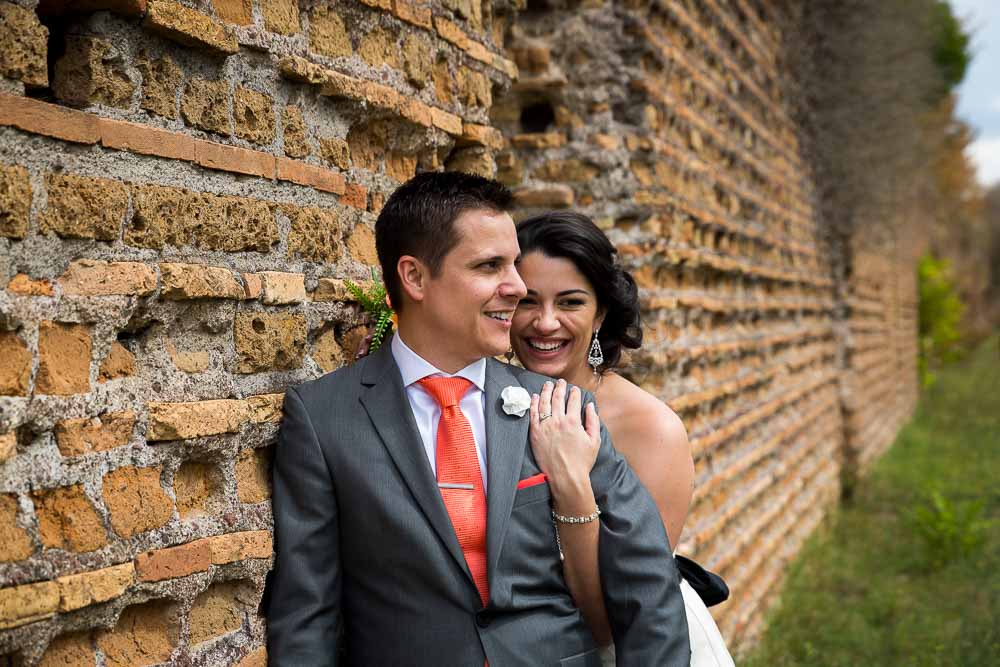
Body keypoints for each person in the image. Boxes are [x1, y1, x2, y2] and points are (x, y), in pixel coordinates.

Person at [267, 172, 691, 666]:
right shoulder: (323, 418)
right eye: (491, 266)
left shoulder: (561, 405)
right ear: (415, 277)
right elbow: (306, 615)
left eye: (513, 264)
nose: (516, 287)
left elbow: (649, 591)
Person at [510, 210, 735, 667]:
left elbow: (621, 613)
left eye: (570, 302)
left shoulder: (652, 430)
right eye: (527, 301)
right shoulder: (494, 402)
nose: (545, 322)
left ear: (601, 315)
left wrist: (572, 486)